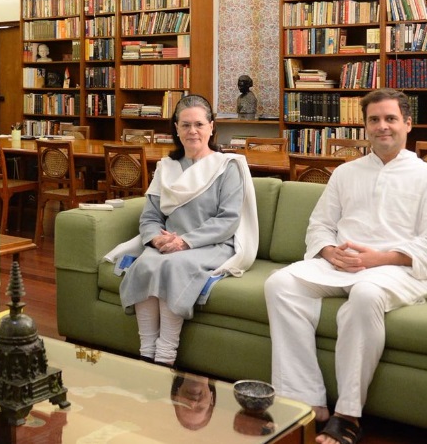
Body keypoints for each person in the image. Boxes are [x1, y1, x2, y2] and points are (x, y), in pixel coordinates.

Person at [264, 88, 427, 444]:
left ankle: (348, 415)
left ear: (407, 123)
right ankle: (307, 399)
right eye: (374, 120)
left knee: (366, 294)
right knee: (279, 284)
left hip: (397, 269)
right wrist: (327, 251)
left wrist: (378, 258)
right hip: (340, 264)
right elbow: (320, 224)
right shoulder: (345, 172)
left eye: (390, 119)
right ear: (365, 125)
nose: (382, 126)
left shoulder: (424, 175)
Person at [107, 94, 259, 366]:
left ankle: (165, 357)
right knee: (146, 264)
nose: (192, 131)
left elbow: (228, 220)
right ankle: (146, 353)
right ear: (176, 128)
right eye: (185, 125)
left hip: (212, 244)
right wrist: (156, 239)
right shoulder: (165, 168)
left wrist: (184, 242)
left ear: (211, 127)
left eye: (199, 124)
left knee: (173, 266)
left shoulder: (227, 167)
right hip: (167, 243)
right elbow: (150, 216)